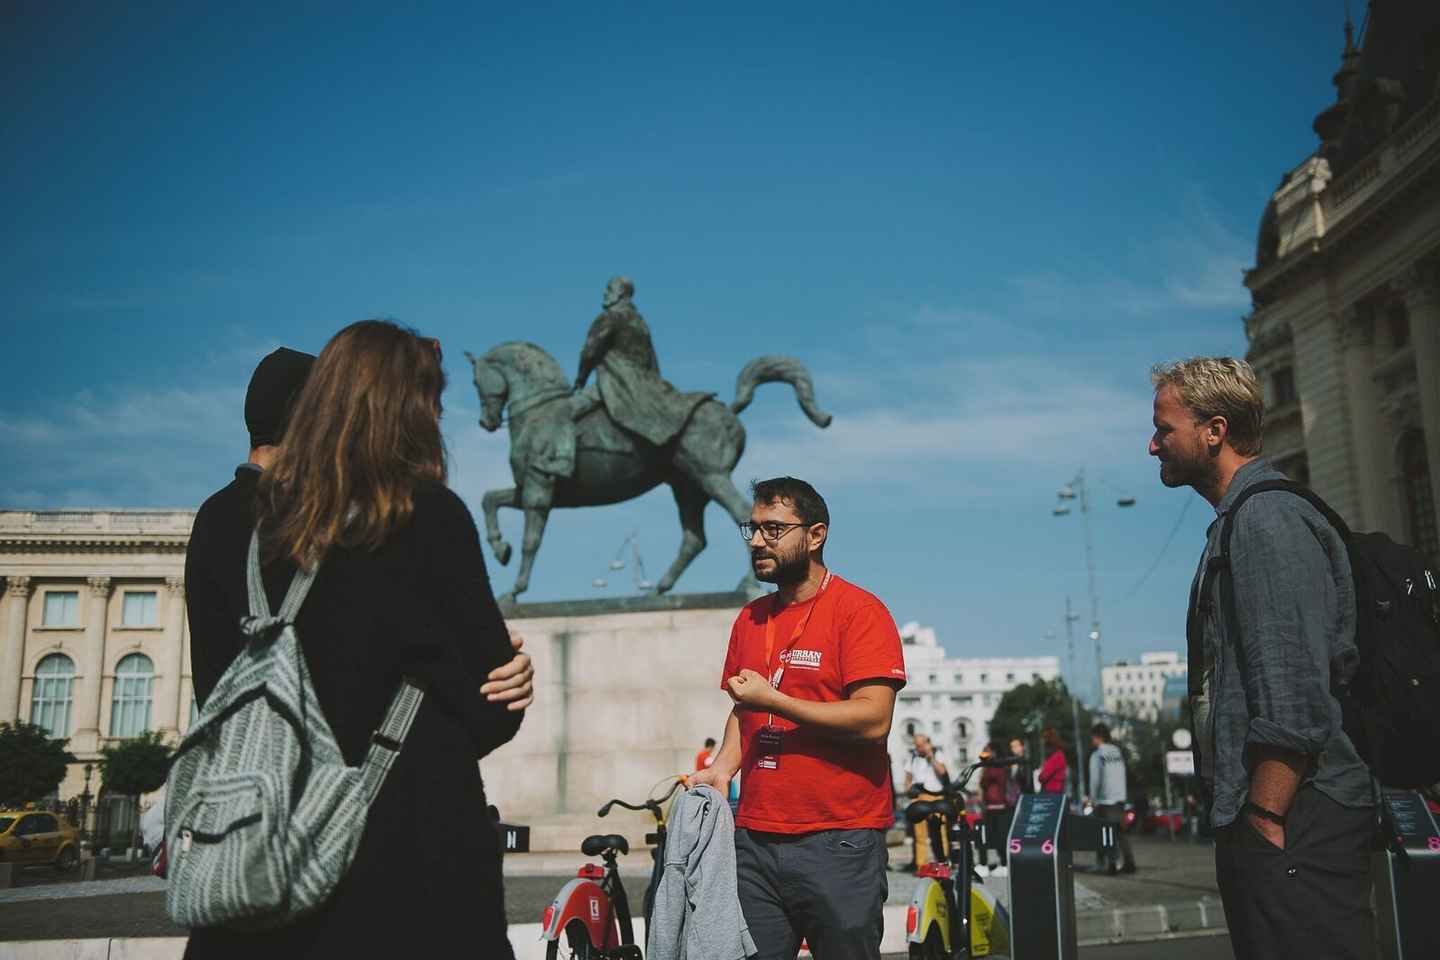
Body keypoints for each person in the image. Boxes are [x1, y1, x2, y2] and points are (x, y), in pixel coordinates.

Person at [182, 322, 526, 958]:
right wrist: (508, 675)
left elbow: (215, 686)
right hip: (403, 859)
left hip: (256, 853)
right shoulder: (420, 516)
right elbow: (490, 712)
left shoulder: (232, 521)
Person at [1151, 357, 1375, 959]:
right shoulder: (1238, 522)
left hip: (1298, 816)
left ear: (1214, 431)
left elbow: (1294, 686)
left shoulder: (1266, 521)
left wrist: (1264, 815)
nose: (1153, 445)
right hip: (1281, 817)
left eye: (1164, 429)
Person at [690, 476, 906, 960]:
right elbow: (744, 708)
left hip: (839, 840)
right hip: (756, 840)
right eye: (752, 529)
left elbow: (874, 719)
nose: (758, 541)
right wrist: (723, 768)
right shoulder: (750, 618)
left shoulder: (860, 612)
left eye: (773, 529)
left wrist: (775, 700)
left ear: (815, 535)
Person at [573, 276, 709, 445]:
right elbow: (653, 361)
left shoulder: (610, 317)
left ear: (621, 295)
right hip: (645, 387)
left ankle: (559, 462)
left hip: (615, 384)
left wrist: (580, 380)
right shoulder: (640, 323)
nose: (604, 293)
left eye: (609, 289)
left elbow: (589, 352)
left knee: (564, 412)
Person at [1085, 723, 1136, 874]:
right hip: (1119, 797)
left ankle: (1108, 864)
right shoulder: (1117, 751)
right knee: (1120, 832)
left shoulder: (1097, 754)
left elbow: (1095, 779)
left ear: (1096, 737)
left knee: (1102, 833)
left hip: (1104, 799)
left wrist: (1092, 799)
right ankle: (1129, 863)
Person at [903, 733, 949, 869]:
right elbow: (907, 778)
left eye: (921, 745)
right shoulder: (912, 757)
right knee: (920, 834)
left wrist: (931, 758)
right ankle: (921, 864)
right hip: (920, 796)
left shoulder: (938, 754)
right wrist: (908, 790)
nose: (918, 748)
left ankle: (943, 862)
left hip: (936, 796)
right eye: (916, 746)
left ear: (928, 743)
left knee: (940, 831)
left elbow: (943, 772)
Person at [1037, 727, 1068, 795]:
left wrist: (1039, 776)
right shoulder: (1060, 754)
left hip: (1051, 791)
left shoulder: (1055, 756)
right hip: (1057, 790)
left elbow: (1043, 776)